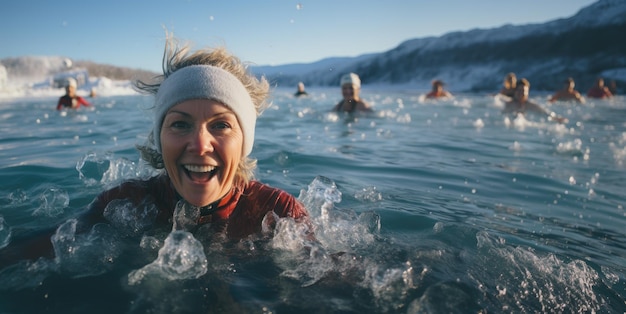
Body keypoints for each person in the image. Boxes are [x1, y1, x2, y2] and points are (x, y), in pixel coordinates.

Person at [1, 36, 311, 267]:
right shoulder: (124, 204)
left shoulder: (277, 213)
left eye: (221, 125)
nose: (200, 145)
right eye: (179, 124)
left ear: (245, 141)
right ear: (159, 137)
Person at [502, 78, 568, 123]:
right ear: (515, 91)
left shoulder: (529, 105)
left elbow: (544, 113)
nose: (521, 93)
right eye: (519, 90)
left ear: (527, 93)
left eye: (523, 91)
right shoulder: (508, 104)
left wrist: (556, 118)